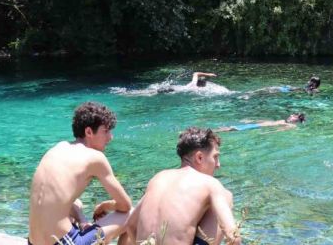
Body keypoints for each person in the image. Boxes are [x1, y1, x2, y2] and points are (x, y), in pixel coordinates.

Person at [28, 102, 132, 245]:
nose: (110, 137)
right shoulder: (95, 158)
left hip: (33, 242)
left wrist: (82, 219)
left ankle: (80, 226)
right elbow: (125, 205)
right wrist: (104, 207)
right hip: (63, 242)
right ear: (89, 132)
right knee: (131, 215)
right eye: (106, 131)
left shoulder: (57, 148)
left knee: (76, 203)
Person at [126, 127, 241, 245]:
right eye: (215, 157)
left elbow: (130, 225)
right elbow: (233, 236)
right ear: (199, 157)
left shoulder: (159, 178)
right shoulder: (209, 183)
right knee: (226, 195)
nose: (218, 165)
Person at [214, 112, 306, 133]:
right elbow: (268, 122)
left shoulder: (291, 126)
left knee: (231, 129)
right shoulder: (283, 121)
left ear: (297, 120)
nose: (291, 116)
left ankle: (210, 132)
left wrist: (267, 132)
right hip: (255, 125)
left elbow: (278, 131)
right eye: (291, 115)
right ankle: (210, 131)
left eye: (294, 116)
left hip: (256, 127)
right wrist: (252, 120)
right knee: (229, 128)